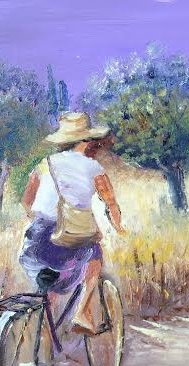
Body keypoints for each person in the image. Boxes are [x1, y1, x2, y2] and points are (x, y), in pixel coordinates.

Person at [20, 112, 126, 335]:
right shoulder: (93, 167)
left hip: (38, 240)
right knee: (95, 258)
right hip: (70, 237)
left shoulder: (45, 164)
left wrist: (44, 219)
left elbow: (27, 201)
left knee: (49, 285)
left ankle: (44, 339)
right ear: (85, 141)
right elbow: (111, 204)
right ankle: (82, 313)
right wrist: (119, 228)